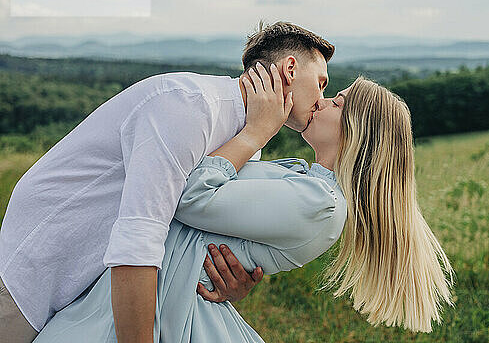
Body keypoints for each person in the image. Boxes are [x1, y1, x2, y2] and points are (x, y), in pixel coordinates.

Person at [32, 75, 455, 342]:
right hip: (148, 294)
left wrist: (255, 132)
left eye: (339, 102)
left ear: (361, 132)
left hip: (168, 311)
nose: (323, 102)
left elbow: (191, 195)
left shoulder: (321, 206)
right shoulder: (305, 181)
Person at [0, 21, 334, 343]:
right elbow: (137, 246)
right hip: (37, 275)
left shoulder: (245, 141)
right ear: (290, 68)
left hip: (89, 293)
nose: (322, 98)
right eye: (321, 83)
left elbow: (193, 236)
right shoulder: (187, 107)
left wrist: (235, 281)